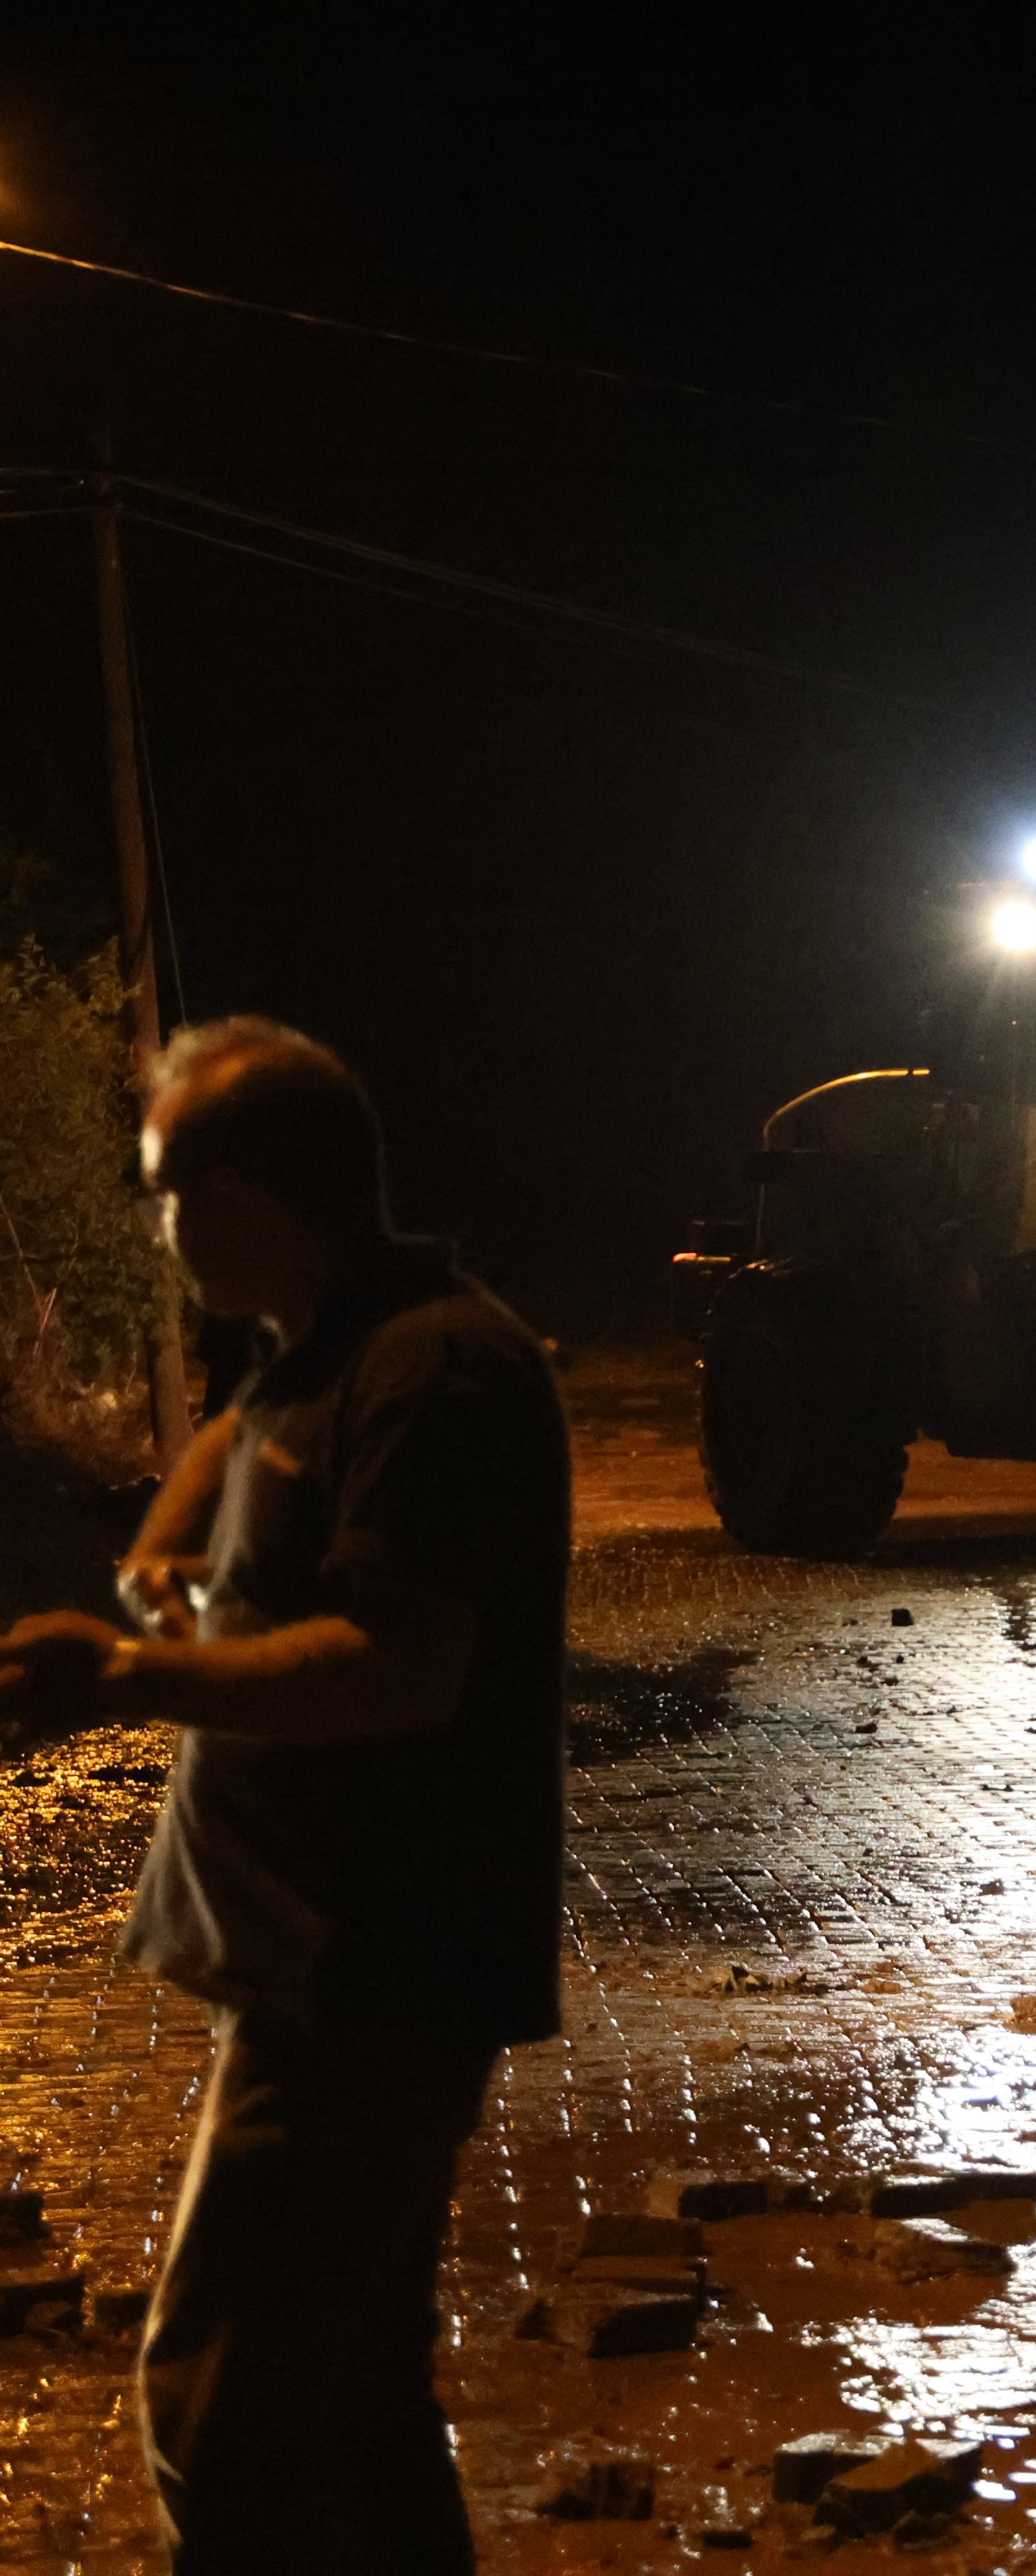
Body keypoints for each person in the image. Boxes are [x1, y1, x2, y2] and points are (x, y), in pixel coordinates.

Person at [0, 1018, 568, 2576]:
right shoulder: (317, 1351)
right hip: (314, 1969)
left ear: (251, 1197)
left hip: (374, 1974)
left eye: (169, 1192)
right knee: (358, 2399)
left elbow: (399, 1667)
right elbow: (230, 1469)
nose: (160, 1226)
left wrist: (127, 1674)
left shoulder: (436, 1367)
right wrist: (179, 1552)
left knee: (222, 2396)